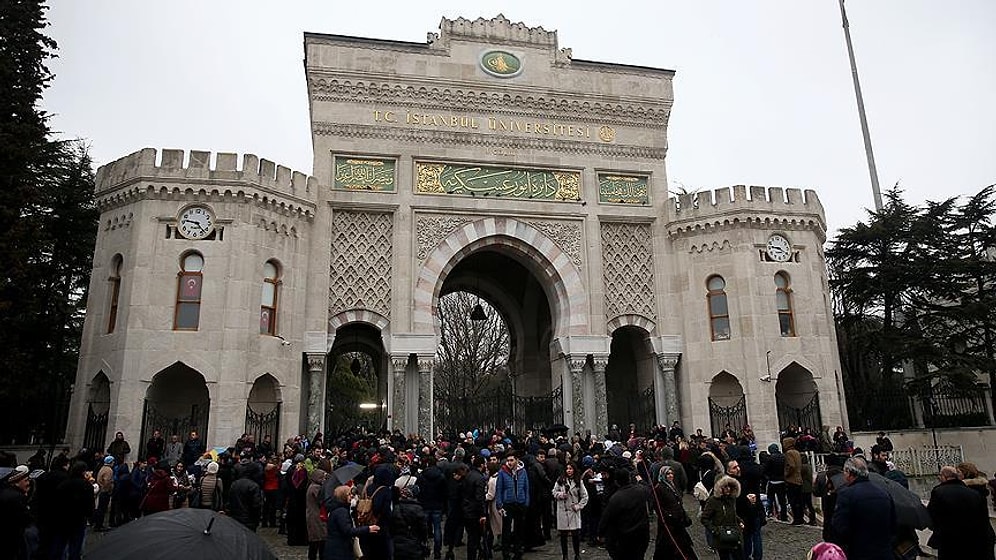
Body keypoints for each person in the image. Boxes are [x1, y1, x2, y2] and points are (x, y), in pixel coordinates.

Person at [830, 456, 895, 560]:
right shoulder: (883, 493)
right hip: (884, 552)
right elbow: (893, 525)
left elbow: (840, 527)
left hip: (859, 552)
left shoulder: (846, 494)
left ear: (848, 472)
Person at [927, 465, 996, 560]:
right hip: (978, 539)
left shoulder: (939, 491)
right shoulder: (976, 493)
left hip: (950, 540)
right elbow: (983, 517)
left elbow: (932, 516)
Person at [598, 467, 651, 560]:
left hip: (624, 538)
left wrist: (600, 533)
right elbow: (648, 488)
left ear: (616, 481)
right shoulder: (641, 491)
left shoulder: (616, 498)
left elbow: (606, 517)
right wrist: (641, 480)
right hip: (641, 535)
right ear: (629, 478)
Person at [651, 466, 697, 560]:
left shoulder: (672, 485)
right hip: (668, 524)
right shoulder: (659, 488)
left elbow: (678, 502)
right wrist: (668, 516)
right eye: (668, 474)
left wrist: (684, 516)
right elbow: (657, 507)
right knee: (667, 546)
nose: (670, 475)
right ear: (663, 475)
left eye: (672, 473)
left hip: (678, 522)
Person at [51, 461, 94, 560]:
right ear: (83, 472)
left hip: (63, 518)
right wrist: (89, 516)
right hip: (79, 519)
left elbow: (57, 501)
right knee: (75, 545)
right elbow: (89, 505)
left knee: (60, 544)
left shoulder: (64, 484)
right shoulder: (87, 486)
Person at [324, 484, 380, 560]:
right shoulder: (341, 512)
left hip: (336, 548)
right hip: (339, 550)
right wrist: (368, 529)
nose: (351, 496)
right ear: (343, 496)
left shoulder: (337, 509)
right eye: (349, 494)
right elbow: (348, 530)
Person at [495, 451, 530, 560]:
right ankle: (506, 552)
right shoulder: (502, 472)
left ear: (517, 460)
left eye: (511, 460)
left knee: (519, 529)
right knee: (506, 529)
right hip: (508, 504)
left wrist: (526, 502)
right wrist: (499, 505)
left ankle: (518, 551)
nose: (509, 463)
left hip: (520, 503)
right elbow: (499, 489)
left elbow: (526, 487)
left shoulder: (523, 471)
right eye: (508, 460)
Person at [701, 475, 744, 560]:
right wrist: (715, 530)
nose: (728, 489)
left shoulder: (731, 499)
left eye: (729, 486)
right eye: (725, 486)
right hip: (722, 538)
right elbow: (704, 518)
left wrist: (740, 521)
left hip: (734, 535)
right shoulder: (713, 501)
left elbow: (731, 513)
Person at [727, 458, 763, 560]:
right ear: (729, 471)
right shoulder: (730, 484)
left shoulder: (742, 479)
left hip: (750, 515)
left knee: (749, 540)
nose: (738, 469)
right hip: (740, 517)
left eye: (738, 466)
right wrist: (748, 500)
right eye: (734, 468)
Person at [552, 461, 588, 560]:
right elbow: (554, 492)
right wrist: (561, 495)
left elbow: (585, 496)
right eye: (567, 469)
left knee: (575, 534)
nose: (569, 471)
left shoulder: (578, 481)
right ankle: (565, 555)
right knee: (563, 535)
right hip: (562, 510)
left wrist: (579, 506)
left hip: (573, 511)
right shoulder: (560, 480)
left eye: (571, 469)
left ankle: (577, 554)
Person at [0, 466, 35, 559]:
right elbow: (26, 519)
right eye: (26, 481)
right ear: (17, 482)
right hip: (13, 537)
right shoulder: (18, 498)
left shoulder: (4, 492)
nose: (28, 483)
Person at [417, 454, 447, 559]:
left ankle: (424, 548)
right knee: (437, 528)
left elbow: (418, 491)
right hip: (437, 505)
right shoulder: (441, 476)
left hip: (425, 505)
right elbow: (444, 492)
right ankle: (437, 551)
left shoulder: (422, 476)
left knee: (423, 528)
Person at [392, 484, 429, 560]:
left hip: (397, 545)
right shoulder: (418, 509)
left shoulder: (395, 508)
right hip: (414, 544)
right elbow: (423, 528)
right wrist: (424, 540)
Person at [228, 461, 264, 531]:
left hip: (235, 517)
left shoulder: (235, 483)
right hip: (248, 519)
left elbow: (230, 500)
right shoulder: (254, 486)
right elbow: (256, 505)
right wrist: (256, 520)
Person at [305, 469, 328, 560]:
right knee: (318, 541)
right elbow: (321, 501)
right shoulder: (315, 488)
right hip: (316, 516)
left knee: (316, 541)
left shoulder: (312, 486)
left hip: (313, 515)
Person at [782, 437, 803, 525]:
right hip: (799, 479)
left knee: (793, 500)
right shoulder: (797, 452)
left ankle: (797, 519)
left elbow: (791, 465)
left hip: (792, 480)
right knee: (799, 500)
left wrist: (786, 474)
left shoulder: (789, 453)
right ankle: (800, 518)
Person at [92, 455, 115, 531]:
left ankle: (97, 524)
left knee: (100, 508)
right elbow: (107, 481)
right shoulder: (109, 470)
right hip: (104, 491)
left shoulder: (102, 468)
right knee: (102, 509)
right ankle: (99, 525)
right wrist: (108, 489)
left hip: (101, 490)